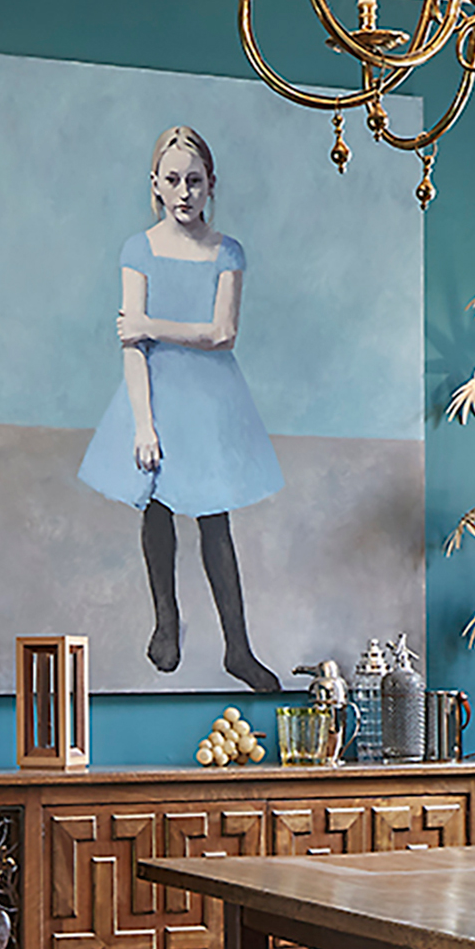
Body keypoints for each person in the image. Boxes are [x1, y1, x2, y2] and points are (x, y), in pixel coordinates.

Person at [78, 126, 283, 690]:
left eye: (195, 180)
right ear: (156, 185)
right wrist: (143, 424)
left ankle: (238, 648)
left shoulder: (227, 252)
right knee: (157, 503)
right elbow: (132, 346)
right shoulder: (138, 249)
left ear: (211, 185)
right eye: (173, 180)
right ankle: (166, 621)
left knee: (215, 520)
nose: (185, 191)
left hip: (211, 400)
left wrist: (149, 325)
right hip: (157, 396)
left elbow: (223, 332)